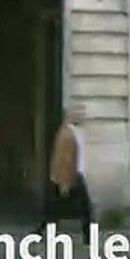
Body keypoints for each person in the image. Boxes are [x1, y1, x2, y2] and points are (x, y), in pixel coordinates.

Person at [38, 103, 93, 244]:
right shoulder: (67, 134)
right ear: (70, 116)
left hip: (71, 175)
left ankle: (41, 231)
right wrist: (63, 182)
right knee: (85, 209)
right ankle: (88, 238)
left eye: (83, 113)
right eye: (79, 113)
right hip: (71, 176)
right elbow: (63, 159)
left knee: (53, 210)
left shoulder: (73, 132)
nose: (82, 117)